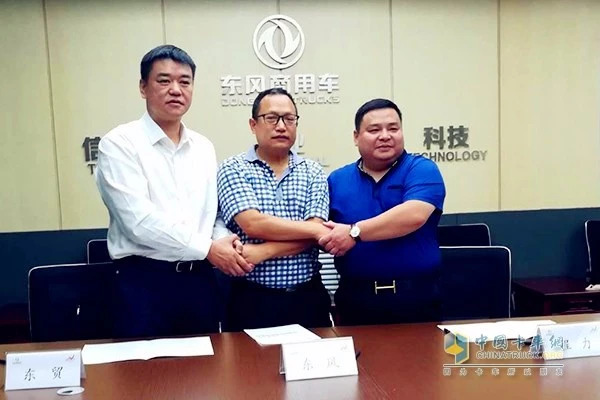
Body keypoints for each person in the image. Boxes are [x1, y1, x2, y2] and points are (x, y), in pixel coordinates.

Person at [96, 45, 252, 338]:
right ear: (143, 87)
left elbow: (212, 213)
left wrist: (222, 240)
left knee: (207, 364)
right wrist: (209, 249)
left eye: (185, 81)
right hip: (144, 284)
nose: (176, 90)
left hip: (200, 282)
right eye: (164, 81)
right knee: (143, 367)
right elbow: (138, 223)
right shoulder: (119, 144)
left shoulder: (203, 147)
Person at [319, 98, 446, 325]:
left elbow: (413, 216)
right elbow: (320, 229)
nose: (385, 136)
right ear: (356, 137)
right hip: (356, 300)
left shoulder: (421, 169)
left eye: (393, 128)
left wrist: (354, 232)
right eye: (374, 130)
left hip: (416, 298)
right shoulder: (337, 180)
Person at [217, 88, 332, 331]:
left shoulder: (312, 171)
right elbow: (253, 224)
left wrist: (263, 252)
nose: (281, 126)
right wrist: (312, 230)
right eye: (271, 118)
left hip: (307, 297)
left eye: (289, 119)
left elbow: (316, 233)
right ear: (253, 124)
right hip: (250, 298)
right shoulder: (233, 168)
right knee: (246, 358)